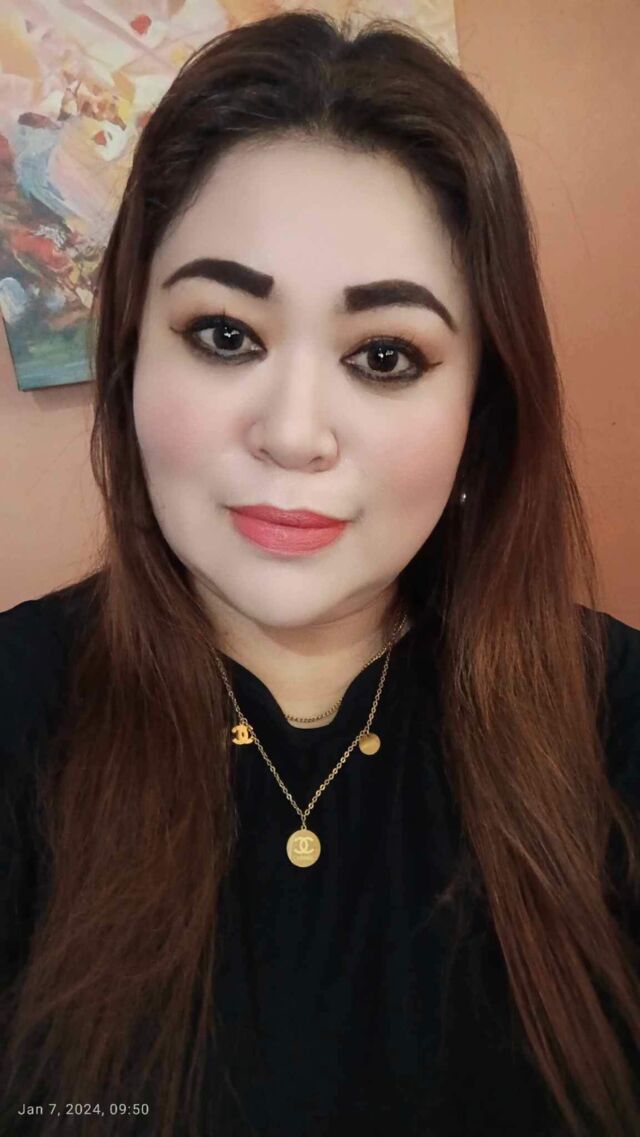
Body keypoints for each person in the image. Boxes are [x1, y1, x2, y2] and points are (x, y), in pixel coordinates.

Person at [1, 11, 639, 1137]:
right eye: (225, 334)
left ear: (481, 413)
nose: (294, 434)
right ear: (131, 356)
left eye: (384, 356)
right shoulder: (18, 704)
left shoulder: (615, 716)